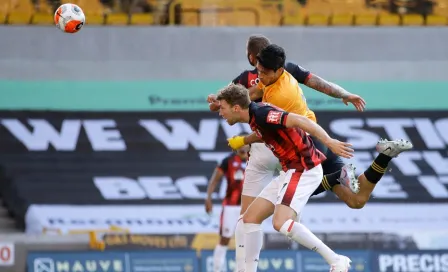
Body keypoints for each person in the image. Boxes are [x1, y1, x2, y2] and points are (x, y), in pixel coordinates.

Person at [209, 41, 413, 271]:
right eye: (258, 70)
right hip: (297, 160)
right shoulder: (278, 77)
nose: (259, 76)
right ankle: (381, 158)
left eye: (263, 73)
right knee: (355, 200)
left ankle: (337, 256)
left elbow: (297, 121)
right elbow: (314, 83)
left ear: (278, 70)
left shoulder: (274, 103)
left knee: (283, 221)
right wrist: (344, 94)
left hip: (307, 156)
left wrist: (245, 140)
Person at [216, 83, 354, 272]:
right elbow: (265, 133)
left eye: (222, 108)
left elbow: (299, 120)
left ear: (236, 108)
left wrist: (329, 141)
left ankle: (336, 260)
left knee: (280, 223)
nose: (220, 113)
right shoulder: (255, 117)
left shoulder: (263, 114)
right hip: (289, 171)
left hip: (304, 168)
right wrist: (243, 140)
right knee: (248, 220)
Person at [205, 144, 250, 272]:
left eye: (246, 144)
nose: (244, 147)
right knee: (224, 239)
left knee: (244, 241)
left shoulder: (254, 160)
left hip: (247, 207)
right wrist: (208, 198)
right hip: (230, 206)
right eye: (241, 144)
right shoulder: (228, 161)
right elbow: (214, 180)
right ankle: (217, 269)